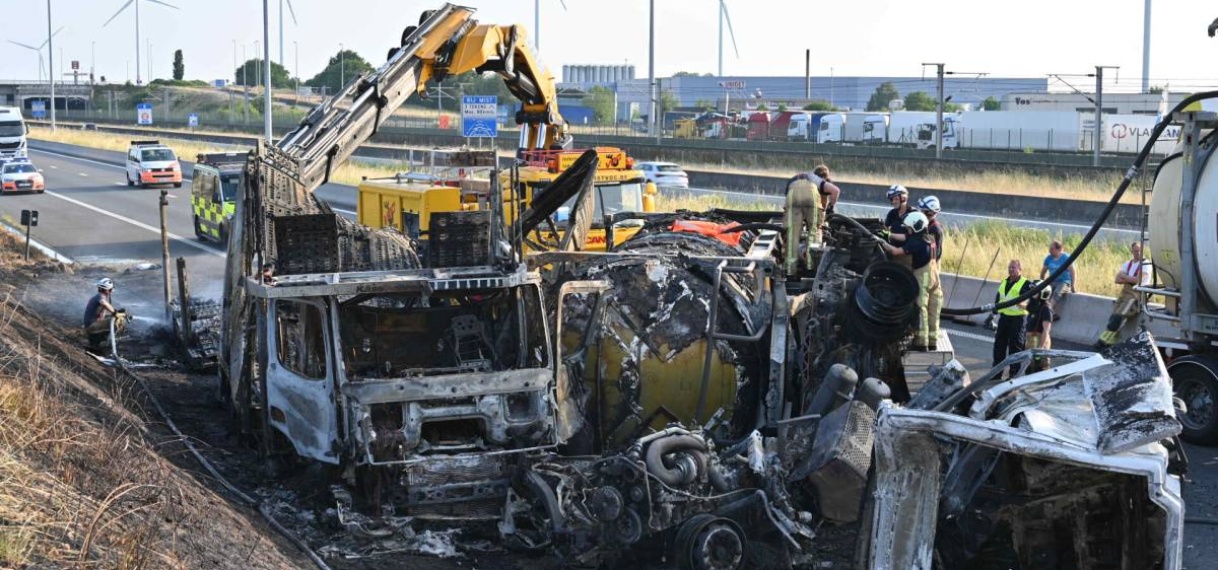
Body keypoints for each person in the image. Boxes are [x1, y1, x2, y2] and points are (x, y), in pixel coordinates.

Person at [879, 211, 942, 351]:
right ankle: (932, 341)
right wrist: (889, 234)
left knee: (921, 307)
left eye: (909, 227)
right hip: (935, 276)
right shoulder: (929, 238)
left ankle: (921, 343)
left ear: (916, 227)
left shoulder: (916, 243)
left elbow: (896, 252)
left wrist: (882, 242)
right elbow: (906, 237)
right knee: (934, 308)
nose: (907, 230)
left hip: (923, 277)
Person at [1097, 242, 1152, 347]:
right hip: (1125, 292)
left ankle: (1103, 342)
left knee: (1119, 317)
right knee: (1114, 317)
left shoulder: (1146, 264)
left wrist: (1124, 276)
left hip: (1136, 295)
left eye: (1140, 250)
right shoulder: (1128, 263)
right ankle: (1109, 342)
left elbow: (1137, 280)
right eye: (1136, 251)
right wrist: (1128, 279)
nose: (1138, 253)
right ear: (1132, 251)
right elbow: (1117, 280)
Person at [990, 260, 1033, 377]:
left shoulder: (1026, 284)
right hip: (1004, 319)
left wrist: (1023, 304)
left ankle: (1013, 376)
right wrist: (992, 315)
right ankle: (996, 374)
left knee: (1015, 349)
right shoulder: (1004, 281)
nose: (1010, 269)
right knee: (999, 347)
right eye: (1009, 267)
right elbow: (999, 299)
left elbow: (1031, 302)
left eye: (1013, 267)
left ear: (1020, 269)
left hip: (1018, 321)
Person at [784, 177, 822, 275]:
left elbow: (786, 206)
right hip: (811, 195)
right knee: (813, 233)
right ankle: (810, 268)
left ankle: (790, 271)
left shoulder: (792, 183)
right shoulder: (815, 183)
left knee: (792, 236)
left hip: (794, 195)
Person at [83, 277, 124, 350]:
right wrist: (115, 313)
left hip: (92, 324)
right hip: (92, 326)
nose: (111, 292)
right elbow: (104, 303)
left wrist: (115, 313)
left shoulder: (99, 296)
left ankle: (99, 340)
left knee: (112, 319)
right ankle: (110, 342)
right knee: (119, 320)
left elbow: (102, 314)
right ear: (107, 290)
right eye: (110, 290)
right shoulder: (101, 296)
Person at [1039, 240, 1076, 317]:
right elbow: (1043, 272)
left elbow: (1073, 272)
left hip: (1064, 281)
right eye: (1050, 248)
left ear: (1059, 249)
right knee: (1044, 293)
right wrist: (1042, 283)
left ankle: (1049, 308)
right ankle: (1050, 312)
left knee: (1057, 292)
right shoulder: (1048, 258)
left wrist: (1073, 285)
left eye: (1052, 249)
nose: (1050, 251)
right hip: (1052, 281)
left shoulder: (1066, 258)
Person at [1025, 286, 1054, 372]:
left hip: (1039, 344)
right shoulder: (1034, 305)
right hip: (1031, 343)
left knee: (1039, 370)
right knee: (1028, 370)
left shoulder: (1046, 309)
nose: (1033, 292)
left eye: (1036, 291)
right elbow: (1023, 306)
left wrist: (1040, 348)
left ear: (1043, 293)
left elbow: (1046, 330)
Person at [916, 195, 945, 263]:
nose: (921, 212)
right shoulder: (925, 224)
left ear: (930, 213)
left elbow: (934, 252)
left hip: (929, 264)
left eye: (923, 211)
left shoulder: (934, 229)